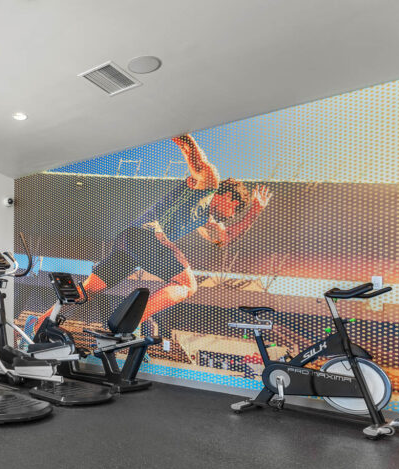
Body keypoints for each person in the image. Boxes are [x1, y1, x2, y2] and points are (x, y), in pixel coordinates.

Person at [30, 133, 272, 336]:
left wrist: (255, 210)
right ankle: (127, 324)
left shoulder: (205, 218)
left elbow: (225, 237)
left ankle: (41, 324)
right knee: (187, 284)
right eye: (236, 209)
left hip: (129, 244)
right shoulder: (209, 183)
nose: (230, 215)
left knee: (89, 289)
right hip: (148, 234)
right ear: (230, 197)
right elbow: (191, 150)